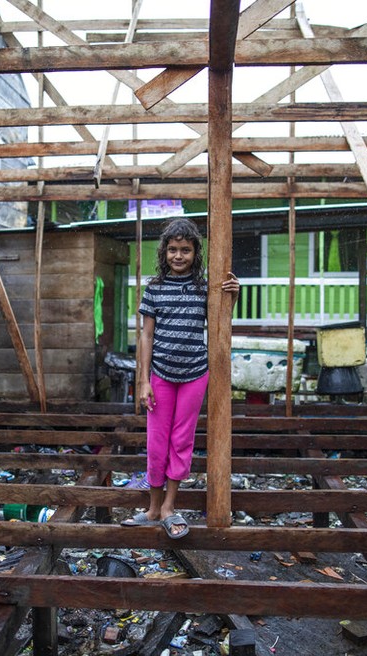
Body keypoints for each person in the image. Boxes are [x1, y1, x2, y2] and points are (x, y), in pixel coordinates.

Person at [121, 218, 239, 538]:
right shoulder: (155, 288)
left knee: (181, 441)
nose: (178, 256)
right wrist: (143, 380)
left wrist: (233, 295)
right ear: (164, 252)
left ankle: (170, 508)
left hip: (194, 375)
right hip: (160, 375)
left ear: (195, 253)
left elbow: (221, 323)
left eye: (185, 250)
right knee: (157, 443)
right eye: (173, 249)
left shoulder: (205, 288)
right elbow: (146, 336)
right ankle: (153, 508)